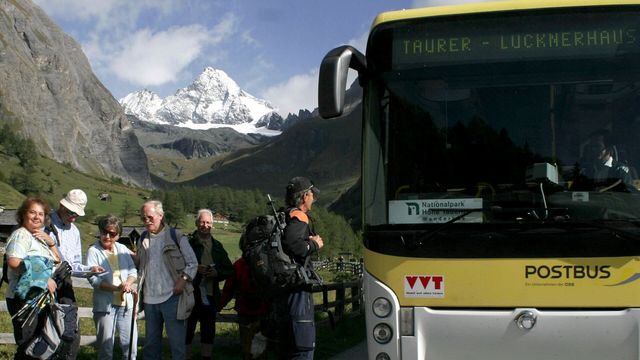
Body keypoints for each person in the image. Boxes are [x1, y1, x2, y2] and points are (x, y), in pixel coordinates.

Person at [137, 200, 198, 360]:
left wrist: (183, 280)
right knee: (151, 345)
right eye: (143, 218)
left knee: (177, 345)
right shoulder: (142, 238)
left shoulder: (175, 236)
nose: (146, 221)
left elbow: (192, 263)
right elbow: (141, 266)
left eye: (149, 217)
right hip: (149, 300)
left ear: (160, 215)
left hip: (173, 298)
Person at [273, 176, 324, 360]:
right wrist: (314, 245)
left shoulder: (284, 215)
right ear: (304, 197)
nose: (313, 199)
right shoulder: (299, 216)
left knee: (286, 344)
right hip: (297, 287)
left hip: (282, 286)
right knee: (302, 344)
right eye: (311, 195)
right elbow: (293, 243)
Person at [4, 198, 61, 359]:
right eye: (32, 212)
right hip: (24, 299)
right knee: (28, 347)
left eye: (41, 214)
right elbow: (14, 262)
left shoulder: (38, 237)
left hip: (38, 300)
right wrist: (43, 279)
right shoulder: (21, 235)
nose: (37, 217)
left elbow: (58, 260)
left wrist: (51, 243)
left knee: (38, 345)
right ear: (23, 214)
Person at [49, 189, 103, 358]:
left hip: (64, 282)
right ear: (61, 206)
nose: (74, 217)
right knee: (43, 328)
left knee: (70, 329)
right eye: (71, 212)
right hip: (44, 281)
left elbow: (74, 265)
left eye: (76, 214)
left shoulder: (75, 231)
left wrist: (89, 270)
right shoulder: (44, 222)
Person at [86, 215, 138, 360]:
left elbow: (133, 270)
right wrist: (116, 288)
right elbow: (93, 279)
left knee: (131, 348)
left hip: (126, 305)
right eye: (104, 232)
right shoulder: (93, 251)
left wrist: (128, 282)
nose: (107, 236)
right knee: (106, 350)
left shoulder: (122, 248)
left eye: (112, 233)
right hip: (105, 307)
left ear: (118, 235)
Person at [185, 209, 233, 360]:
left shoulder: (218, 246)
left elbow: (228, 269)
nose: (205, 225)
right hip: (190, 295)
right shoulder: (188, 243)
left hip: (210, 295)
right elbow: (177, 265)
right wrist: (194, 269)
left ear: (212, 224)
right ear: (196, 223)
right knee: (187, 331)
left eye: (208, 222)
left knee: (208, 332)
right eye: (202, 222)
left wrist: (216, 273)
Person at [219, 239, 270, 360]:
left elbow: (228, 290)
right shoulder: (266, 264)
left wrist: (218, 306)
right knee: (260, 346)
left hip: (247, 312)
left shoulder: (239, 264)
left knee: (248, 347)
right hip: (261, 311)